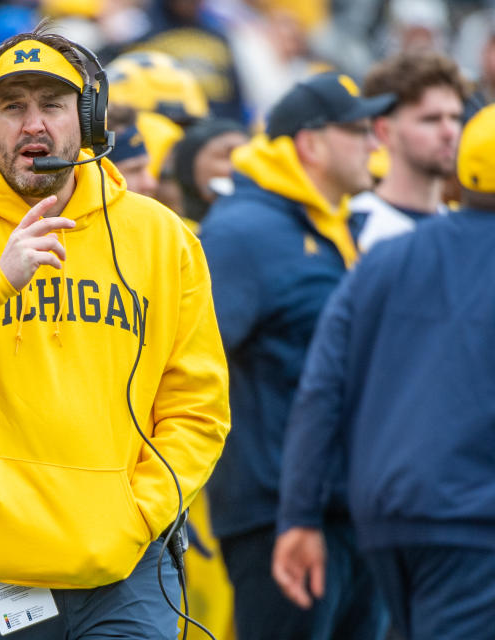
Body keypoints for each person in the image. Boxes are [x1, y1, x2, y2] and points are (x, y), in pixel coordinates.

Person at [0, 29, 230, 639]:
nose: (33, 125)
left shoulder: (161, 237)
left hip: (128, 566)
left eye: (52, 105)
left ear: (87, 119)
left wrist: (140, 512)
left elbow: (199, 406)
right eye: (13, 107)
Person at [273, 102, 495, 640]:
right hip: (473, 523)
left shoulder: (384, 258)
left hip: (386, 520)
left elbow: (321, 391)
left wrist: (299, 516)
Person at [200, 72, 394, 640]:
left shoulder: (331, 226)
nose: (374, 145)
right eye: (358, 130)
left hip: (348, 507)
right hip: (277, 517)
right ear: (311, 143)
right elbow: (191, 364)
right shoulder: (245, 234)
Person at [350, 51, 468, 251]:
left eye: (455, 118)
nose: (449, 132)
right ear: (384, 131)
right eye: (431, 119)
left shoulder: (465, 230)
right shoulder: (354, 225)